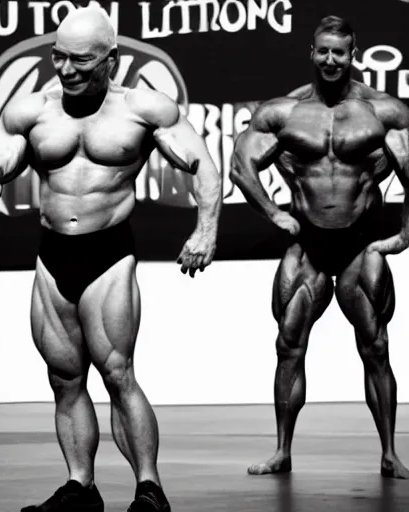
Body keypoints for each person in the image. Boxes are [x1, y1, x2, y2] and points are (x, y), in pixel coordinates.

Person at [0, 6, 221, 512]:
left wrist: (205, 232)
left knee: (118, 372)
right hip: (53, 256)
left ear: (112, 59)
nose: (68, 70)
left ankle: (150, 489)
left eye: (82, 60)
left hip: (108, 256)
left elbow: (203, 168)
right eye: (59, 58)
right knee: (64, 379)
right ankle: (81, 486)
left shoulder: (144, 109)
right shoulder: (30, 111)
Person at [231, 15, 409, 479]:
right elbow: (241, 166)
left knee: (376, 347)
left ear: (354, 54)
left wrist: (404, 235)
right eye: (324, 51)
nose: (332, 59)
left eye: (340, 52)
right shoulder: (283, 112)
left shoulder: (383, 111)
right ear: (312, 53)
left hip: (358, 246)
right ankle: (282, 451)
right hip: (307, 247)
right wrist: (273, 213)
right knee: (288, 346)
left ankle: (390, 453)